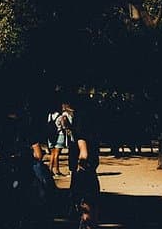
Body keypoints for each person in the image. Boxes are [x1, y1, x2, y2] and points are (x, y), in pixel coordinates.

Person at [64, 96, 101, 229]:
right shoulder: (92, 128)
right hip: (92, 172)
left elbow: (83, 153)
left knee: (84, 208)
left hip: (83, 173)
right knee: (93, 206)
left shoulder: (81, 130)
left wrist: (79, 170)